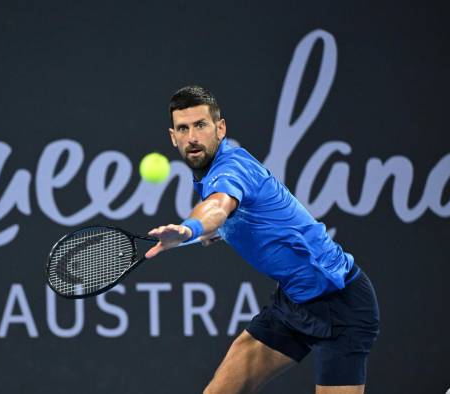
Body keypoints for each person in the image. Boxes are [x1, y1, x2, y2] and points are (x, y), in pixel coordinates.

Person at [146, 86, 380, 394]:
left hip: (340, 301)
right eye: (183, 128)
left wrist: (191, 229)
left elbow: (217, 207)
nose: (192, 137)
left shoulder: (231, 168)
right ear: (172, 136)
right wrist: (209, 233)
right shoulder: (208, 171)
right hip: (293, 302)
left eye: (200, 125)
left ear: (220, 128)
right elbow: (229, 217)